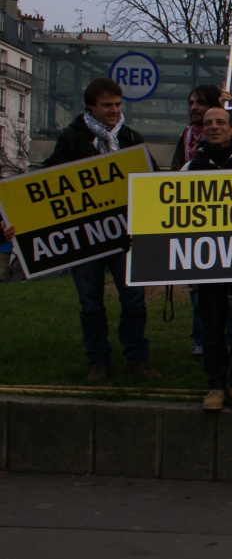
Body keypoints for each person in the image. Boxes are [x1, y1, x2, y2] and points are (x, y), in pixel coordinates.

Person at [43, 77, 159, 383]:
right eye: (107, 105)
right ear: (90, 107)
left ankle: (137, 358)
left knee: (134, 300)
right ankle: (99, 361)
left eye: (118, 104)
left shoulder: (131, 137)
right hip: (86, 237)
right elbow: (48, 180)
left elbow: (152, 180)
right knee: (91, 303)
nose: (114, 110)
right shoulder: (72, 138)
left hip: (125, 236)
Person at [181, 107, 232, 413]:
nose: (214, 126)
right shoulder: (190, 168)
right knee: (212, 327)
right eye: (208, 123)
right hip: (207, 260)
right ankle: (216, 384)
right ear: (202, 129)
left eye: (220, 122)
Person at [170, 84, 224, 358]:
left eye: (199, 103)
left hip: (224, 220)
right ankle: (201, 339)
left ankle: (226, 338)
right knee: (197, 286)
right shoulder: (186, 136)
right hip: (193, 221)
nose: (194, 108)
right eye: (191, 103)